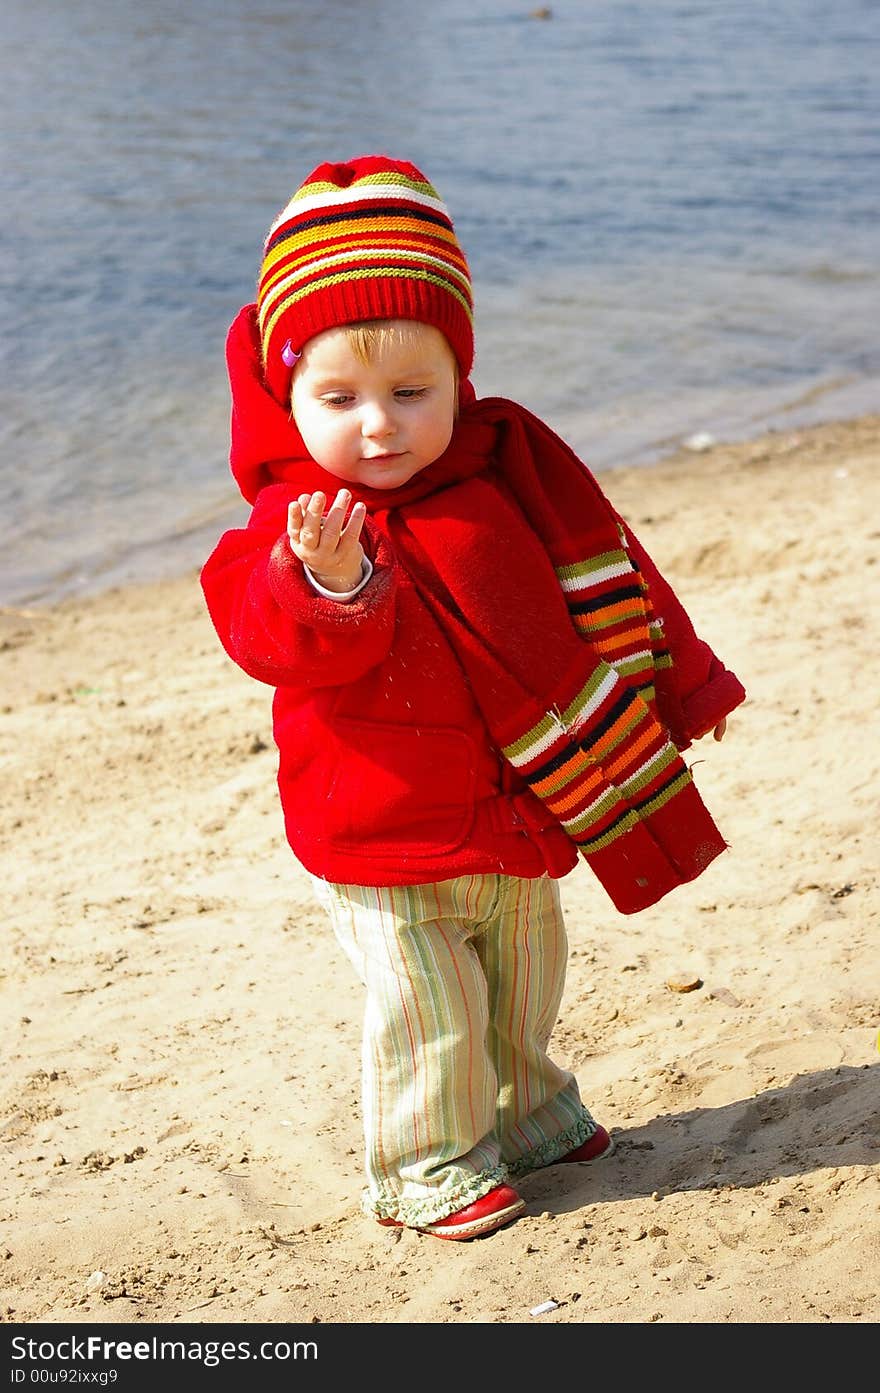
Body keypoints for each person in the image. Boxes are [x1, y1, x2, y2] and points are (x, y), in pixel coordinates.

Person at [201, 155, 745, 1242]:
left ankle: (531, 1112)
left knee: (522, 987)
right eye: (340, 398)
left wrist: (681, 683)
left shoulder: (512, 476)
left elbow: (616, 579)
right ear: (284, 395)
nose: (381, 425)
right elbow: (272, 640)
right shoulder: (290, 530)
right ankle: (426, 1162)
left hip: (519, 805)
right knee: (427, 1014)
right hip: (382, 830)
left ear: (460, 378)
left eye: (414, 392)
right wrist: (332, 583)